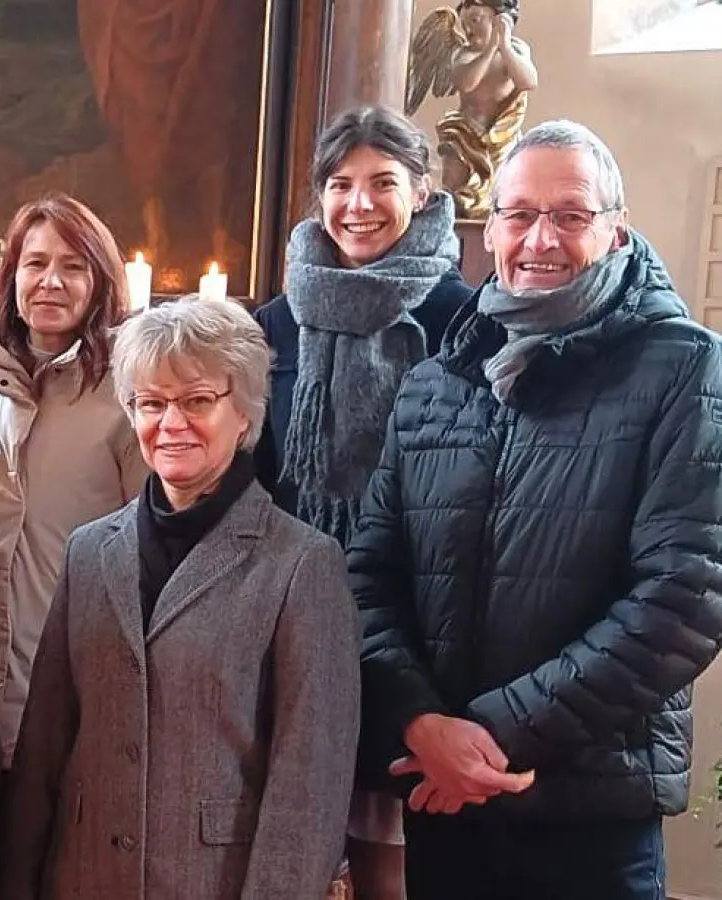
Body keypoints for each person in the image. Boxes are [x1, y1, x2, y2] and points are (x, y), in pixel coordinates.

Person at [351, 120, 722, 899]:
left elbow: (686, 594)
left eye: (570, 215)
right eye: (518, 214)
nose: (538, 239)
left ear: (615, 229)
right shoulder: (437, 380)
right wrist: (420, 722)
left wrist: (493, 736)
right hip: (442, 797)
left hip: (587, 810)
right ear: (490, 230)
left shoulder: (684, 366)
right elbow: (369, 575)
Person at [0, 299, 360, 900]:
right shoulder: (90, 551)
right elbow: (44, 749)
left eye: (195, 401)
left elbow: (308, 788)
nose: (170, 423)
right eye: (151, 403)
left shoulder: (301, 563)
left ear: (243, 412)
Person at [251, 105, 468, 900]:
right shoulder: (271, 322)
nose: (359, 204)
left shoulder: (464, 320)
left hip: (418, 611)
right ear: (318, 198)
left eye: (382, 183)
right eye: (340, 185)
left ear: (420, 191)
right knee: (302, 825)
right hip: (300, 609)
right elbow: (257, 473)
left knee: (399, 832)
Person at [0, 193, 147, 772]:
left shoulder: (128, 393)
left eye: (73, 266)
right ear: (12, 276)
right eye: (36, 263)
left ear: (101, 281)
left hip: (72, 679)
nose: (51, 281)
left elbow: (154, 543)